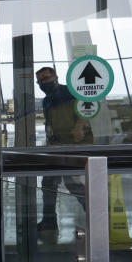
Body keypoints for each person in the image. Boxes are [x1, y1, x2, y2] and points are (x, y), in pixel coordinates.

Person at [35, 66, 89, 243]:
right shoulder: (46, 101)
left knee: (72, 182)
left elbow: (84, 108)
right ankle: (49, 221)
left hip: (73, 145)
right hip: (57, 146)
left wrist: (79, 126)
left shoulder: (69, 92)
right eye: (40, 80)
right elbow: (49, 123)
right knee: (49, 183)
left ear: (56, 77)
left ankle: (94, 214)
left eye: (46, 78)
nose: (44, 82)